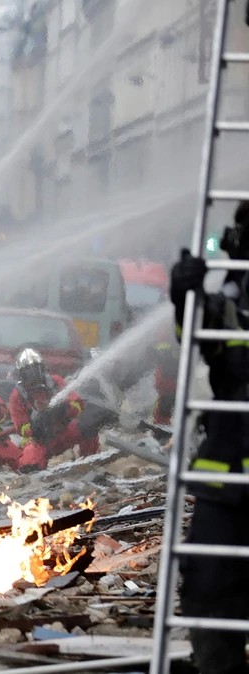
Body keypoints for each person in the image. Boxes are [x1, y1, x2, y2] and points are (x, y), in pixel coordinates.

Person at [168, 200, 249, 674]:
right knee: (208, 591)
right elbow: (197, 338)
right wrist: (186, 295)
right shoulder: (229, 306)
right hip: (226, 484)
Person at [8, 348, 99, 473]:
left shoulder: (56, 382)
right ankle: (37, 478)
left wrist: (64, 409)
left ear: (42, 368)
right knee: (29, 463)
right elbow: (21, 428)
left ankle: (90, 463)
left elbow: (78, 405)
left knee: (89, 426)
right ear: (21, 374)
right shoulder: (18, 395)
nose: (33, 374)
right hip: (40, 441)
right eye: (28, 371)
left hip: (63, 432)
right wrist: (36, 427)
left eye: (35, 369)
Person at [151, 322, 180, 427]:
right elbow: (159, 347)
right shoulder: (167, 326)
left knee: (169, 399)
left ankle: (162, 423)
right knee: (166, 398)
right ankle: (160, 423)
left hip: (175, 370)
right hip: (167, 371)